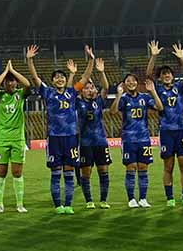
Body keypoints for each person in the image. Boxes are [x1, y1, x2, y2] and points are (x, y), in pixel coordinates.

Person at [26, 44, 93, 214]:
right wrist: (29, 60)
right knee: (56, 173)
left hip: (71, 137)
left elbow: (85, 78)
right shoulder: (48, 92)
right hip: (54, 138)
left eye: (62, 77)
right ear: (53, 81)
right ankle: (58, 205)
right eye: (56, 77)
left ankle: (68, 204)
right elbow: (34, 79)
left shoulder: (72, 93)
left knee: (69, 173)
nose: (60, 79)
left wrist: (91, 60)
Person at [146, 41, 183, 207]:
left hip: (182, 130)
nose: (167, 75)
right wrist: (153, 56)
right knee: (168, 165)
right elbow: (148, 76)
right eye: (164, 74)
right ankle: (170, 198)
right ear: (160, 78)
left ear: (173, 76)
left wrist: (182, 58)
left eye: (169, 73)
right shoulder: (158, 89)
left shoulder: (179, 87)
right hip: (166, 130)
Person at [111, 73, 164, 208]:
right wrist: (118, 94)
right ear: (124, 84)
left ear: (137, 83)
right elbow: (113, 111)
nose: (131, 83)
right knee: (131, 167)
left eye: (134, 80)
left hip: (144, 138)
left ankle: (143, 198)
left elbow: (160, 107)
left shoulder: (145, 97)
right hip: (129, 139)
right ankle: (131, 199)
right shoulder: (123, 99)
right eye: (128, 81)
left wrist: (153, 91)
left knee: (143, 167)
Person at [0, 59, 31, 213]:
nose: (10, 84)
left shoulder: (21, 94)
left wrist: (13, 72)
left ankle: (20, 204)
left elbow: (27, 84)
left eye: (12, 82)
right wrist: (5, 72)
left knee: (17, 172)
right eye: (7, 82)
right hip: (2, 138)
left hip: (18, 138)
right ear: (4, 84)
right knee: (1, 172)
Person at [76, 57, 112, 209]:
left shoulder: (99, 101)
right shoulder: (77, 102)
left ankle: (103, 200)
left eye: (92, 88)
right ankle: (89, 200)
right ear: (82, 91)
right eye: (87, 88)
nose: (90, 90)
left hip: (101, 142)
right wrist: (85, 78)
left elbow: (106, 87)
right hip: (85, 143)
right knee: (86, 173)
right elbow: (76, 87)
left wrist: (101, 72)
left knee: (103, 171)